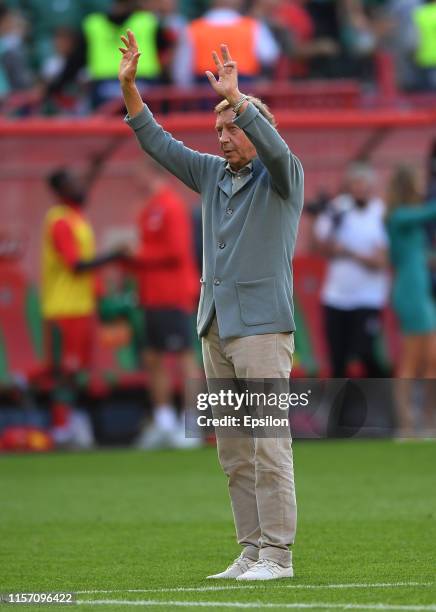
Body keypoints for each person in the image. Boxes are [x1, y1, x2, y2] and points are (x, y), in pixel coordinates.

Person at [119, 30, 303, 580]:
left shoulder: (283, 175)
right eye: (218, 129)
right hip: (216, 329)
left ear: (254, 127)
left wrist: (240, 100)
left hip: (264, 331)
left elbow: (273, 146)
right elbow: (158, 142)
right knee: (233, 451)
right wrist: (130, 90)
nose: (222, 138)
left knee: (269, 445)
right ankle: (251, 550)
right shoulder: (212, 174)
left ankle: (278, 555)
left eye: (231, 129)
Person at [42, 153, 125, 444]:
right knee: (65, 370)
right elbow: (75, 265)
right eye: (72, 183)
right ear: (60, 190)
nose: (79, 186)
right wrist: (114, 256)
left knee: (77, 370)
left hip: (81, 307)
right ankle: (61, 426)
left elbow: (84, 188)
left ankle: (70, 422)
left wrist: (94, 167)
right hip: (63, 309)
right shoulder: (60, 221)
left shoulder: (75, 215)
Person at [124, 161, 200, 449]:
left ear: (152, 173)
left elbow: (176, 251)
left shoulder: (171, 205)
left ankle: (191, 422)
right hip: (151, 295)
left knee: (183, 356)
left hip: (173, 294)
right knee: (154, 357)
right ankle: (165, 421)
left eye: (139, 172)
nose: (134, 179)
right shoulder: (148, 207)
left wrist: (139, 253)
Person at [312, 163, 390, 378]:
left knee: (365, 352)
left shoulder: (379, 212)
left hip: (368, 298)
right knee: (338, 358)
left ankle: (384, 392)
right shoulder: (338, 208)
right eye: (356, 185)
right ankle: (341, 408)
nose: (360, 189)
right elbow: (320, 248)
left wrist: (348, 252)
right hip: (335, 297)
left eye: (364, 185)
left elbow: (380, 261)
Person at [385, 165, 436, 437]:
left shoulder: (405, 219)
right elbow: (431, 211)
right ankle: (406, 425)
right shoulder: (400, 216)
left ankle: (427, 422)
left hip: (421, 292)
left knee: (431, 359)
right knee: (411, 361)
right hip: (411, 293)